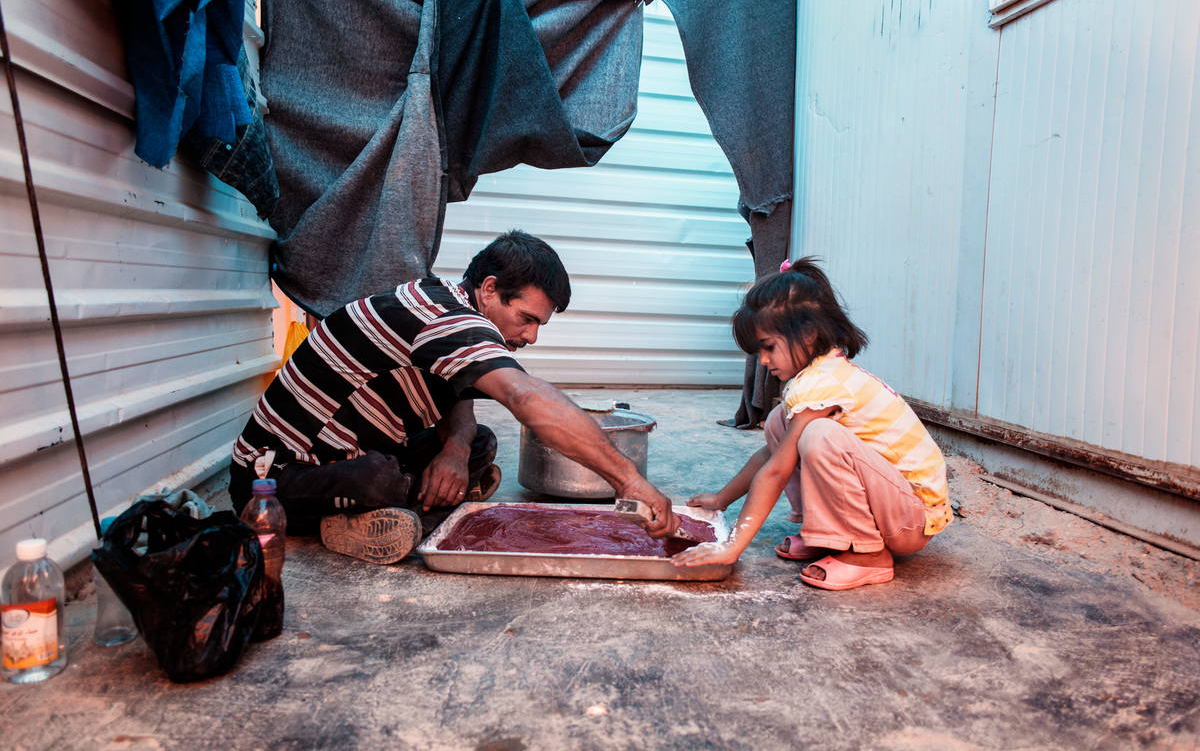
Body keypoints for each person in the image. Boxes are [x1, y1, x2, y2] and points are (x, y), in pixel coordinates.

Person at [230, 230, 680, 564]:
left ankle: (413, 502)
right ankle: (375, 515)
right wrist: (627, 479)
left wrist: (455, 449)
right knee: (379, 478)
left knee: (476, 440)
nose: (531, 336)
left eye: (540, 324)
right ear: (488, 289)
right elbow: (524, 397)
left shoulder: (450, 307)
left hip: (361, 450)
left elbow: (459, 392)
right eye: (525, 318)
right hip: (273, 477)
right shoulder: (441, 317)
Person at [671, 257, 953, 589]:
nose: (763, 361)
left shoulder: (822, 383)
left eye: (768, 348)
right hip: (893, 505)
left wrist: (732, 546)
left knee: (819, 436)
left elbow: (776, 472)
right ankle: (831, 536)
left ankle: (868, 556)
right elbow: (771, 456)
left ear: (807, 334)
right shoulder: (815, 376)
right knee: (780, 422)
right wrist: (722, 499)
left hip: (911, 520)